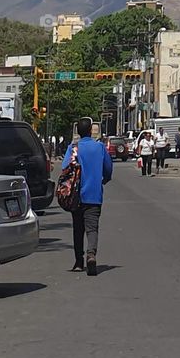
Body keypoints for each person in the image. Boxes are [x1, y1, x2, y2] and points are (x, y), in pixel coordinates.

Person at [62, 116, 113, 276]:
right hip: (94, 194)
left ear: (78, 131)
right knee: (92, 228)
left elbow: (65, 167)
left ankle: (78, 261)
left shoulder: (73, 148)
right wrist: (104, 179)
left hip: (75, 195)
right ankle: (91, 254)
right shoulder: (99, 147)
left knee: (78, 229)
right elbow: (108, 168)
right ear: (91, 131)